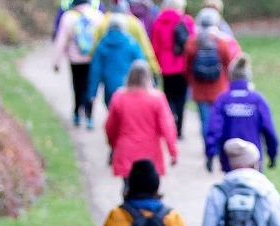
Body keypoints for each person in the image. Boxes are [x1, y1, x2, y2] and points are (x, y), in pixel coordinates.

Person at [202, 56, 278, 174]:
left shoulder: (223, 100)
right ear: (248, 77)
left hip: (231, 160)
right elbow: (269, 130)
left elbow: (214, 129)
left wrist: (210, 154)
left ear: (230, 77)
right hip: (253, 160)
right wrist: (272, 154)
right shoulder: (257, 100)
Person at [105, 66, 179, 179]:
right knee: (150, 189)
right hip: (150, 153)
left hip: (126, 151)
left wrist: (113, 143)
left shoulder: (119, 97)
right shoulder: (157, 98)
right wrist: (173, 151)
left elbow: (110, 126)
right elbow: (167, 127)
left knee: (129, 188)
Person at [87, 0, 162, 109]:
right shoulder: (134, 29)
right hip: (129, 82)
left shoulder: (103, 24)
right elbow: (145, 51)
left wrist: (92, 92)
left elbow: (95, 63)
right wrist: (154, 70)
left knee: (113, 109)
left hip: (109, 85)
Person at [184, 9, 240, 138]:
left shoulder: (192, 42)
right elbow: (229, 63)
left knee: (205, 120)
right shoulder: (221, 42)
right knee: (219, 118)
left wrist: (191, 81)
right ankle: (218, 146)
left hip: (199, 88)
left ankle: (208, 150)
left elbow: (187, 66)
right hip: (219, 87)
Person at [52, 0, 108, 128]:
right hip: (92, 59)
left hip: (75, 59)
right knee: (90, 86)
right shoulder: (98, 16)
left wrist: (56, 61)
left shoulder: (68, 17)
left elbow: (61, 41)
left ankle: (77, 112)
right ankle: (89, 116)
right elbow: (102, 40)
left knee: (77, 85)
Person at [148, 0, 196, 137]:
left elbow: (155, 46)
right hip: (182, 66)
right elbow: (192, 44)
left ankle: (170, 125)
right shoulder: (187, 21)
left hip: (165, 67)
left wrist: (156, 64)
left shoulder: (158, 22)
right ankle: (179, 128)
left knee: (168, 98)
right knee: (181, 98)